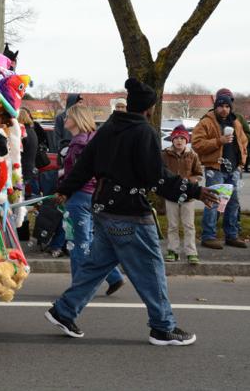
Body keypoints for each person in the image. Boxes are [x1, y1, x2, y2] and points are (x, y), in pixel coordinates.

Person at [45, 78, 218, 346]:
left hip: (102, 209)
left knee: (97, 266)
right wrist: (195, 191)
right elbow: (156, 178)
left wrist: (66, 189)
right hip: (130, 214)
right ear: (149, 108)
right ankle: (162, 327)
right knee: (151, 269)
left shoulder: (109, 127)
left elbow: (85, 164)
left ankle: (63, 311)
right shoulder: (144, 132)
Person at [51, 105, 126, 294]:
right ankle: (114, 276)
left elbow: (77, 174)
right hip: (94, 195)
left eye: (68, 116)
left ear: (77, 119)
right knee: (89, 240)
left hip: (78, 196)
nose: (64, 119)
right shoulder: (94, 139)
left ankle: (79, 287)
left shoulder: (78, 144)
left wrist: (63, 189)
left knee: (77, 243)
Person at [191, 92, 248, 250]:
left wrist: (241, 163)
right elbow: (196, 143)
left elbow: (243, 141)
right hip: (215, 169)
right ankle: (208, 236)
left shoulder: (235, 122)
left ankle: (232, 235)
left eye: (227, 106)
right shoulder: (206, 122)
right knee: (213, 202)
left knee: (232, 203)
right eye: (221, 106)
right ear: (215, 107)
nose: (224, 109)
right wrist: (219, 141)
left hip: (233, 169)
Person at [161, 125, 203, 264]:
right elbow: (160, 173)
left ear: (187, 140)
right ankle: (173, 250)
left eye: (182, 138)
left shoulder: (192, 155)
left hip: (188, 195)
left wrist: (191, 180)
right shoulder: (164, 154)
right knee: (172, 225)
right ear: (172, 140)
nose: (179, 141)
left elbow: (198, 174)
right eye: (176, 138)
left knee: (189, 225)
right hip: (171, 195)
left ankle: (191, 252)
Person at [17, 108, 38, 241]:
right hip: (28, 169)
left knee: (19, 202)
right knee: (21, 201)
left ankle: (21, 231)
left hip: (21, 171)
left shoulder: (23, 133)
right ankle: (23, 231)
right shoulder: (32, 132)